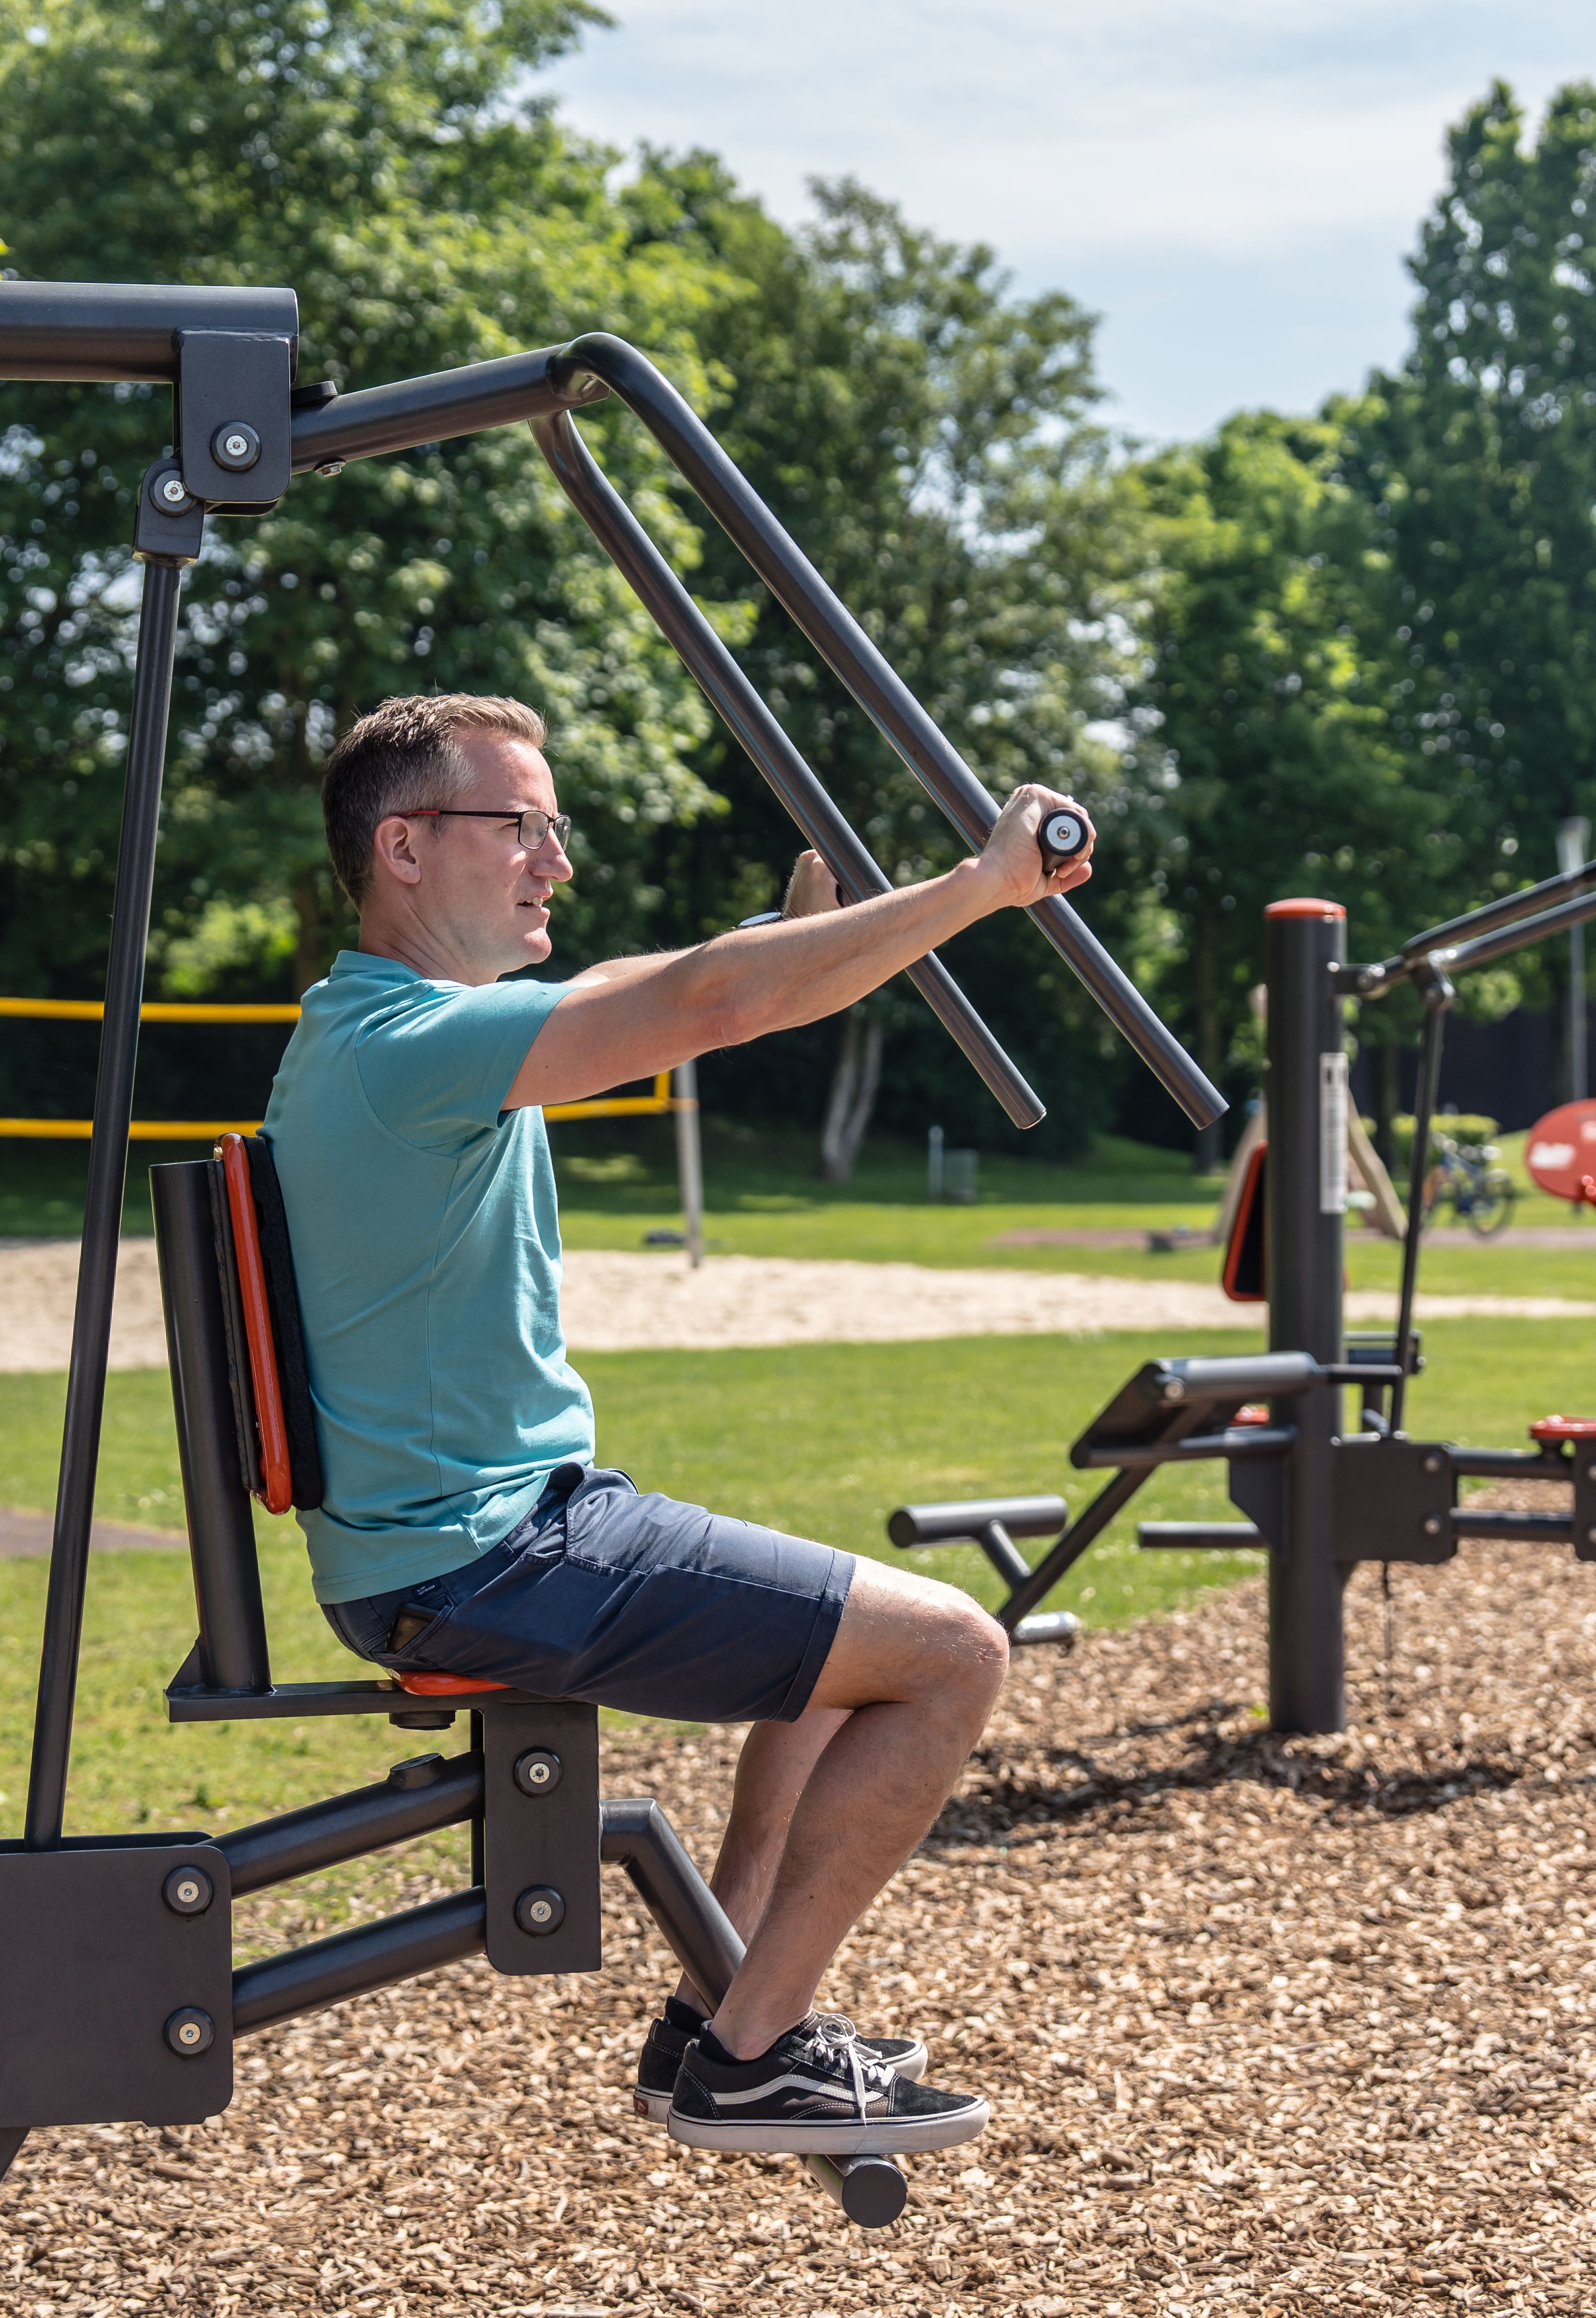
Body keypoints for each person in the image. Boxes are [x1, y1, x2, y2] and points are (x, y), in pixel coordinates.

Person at [261, 692, 1091, 2159]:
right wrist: (977, 888)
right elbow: (706, 1002)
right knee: (957, 1653)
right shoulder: (411, 1050)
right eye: (518, 826)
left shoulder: (387, 1030)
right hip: (486, 1559)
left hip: (476, 1538)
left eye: (554, 830)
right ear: (402, 846)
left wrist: (786, 953)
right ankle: (753, 2054)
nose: (553, 864)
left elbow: (677, 982)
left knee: (844, 1647)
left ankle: (727, 2009)